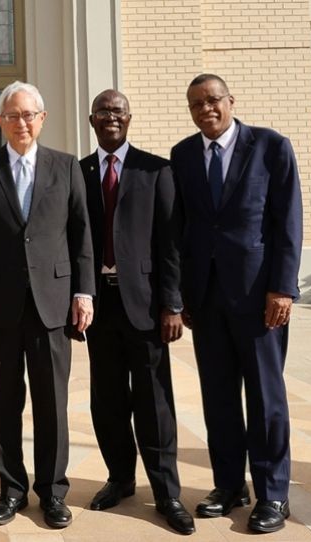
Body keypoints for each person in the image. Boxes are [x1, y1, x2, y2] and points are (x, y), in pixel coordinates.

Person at [169, 74, 303, 534]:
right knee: (219, 398)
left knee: (266, 399)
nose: (205, 110)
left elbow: (288, 223)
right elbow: (183, 230)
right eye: (196, 104)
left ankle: (273, 494)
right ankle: (229, 485)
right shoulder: (183, 155)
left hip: (258, 298)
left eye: (212, 101)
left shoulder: (270, 146)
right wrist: (184, 294)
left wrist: (283, 288)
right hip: (206, 299)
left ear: (230, 101)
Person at [0, 81, 95, 529]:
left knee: (52, 403)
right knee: (4, 400)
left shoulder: (66, 166)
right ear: (0, 121)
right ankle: (11, 489)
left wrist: (84, 292)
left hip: (53, 304)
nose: (22, 123)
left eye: (29, 115)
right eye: (13, 115)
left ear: (43, 119)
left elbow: (81, 236)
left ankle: (54, 493)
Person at [80, 89, 195, 535]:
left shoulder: (156, 169)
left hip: (146, 305)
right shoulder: (80, 171)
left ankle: (166, 492)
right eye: (104, 111)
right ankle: (120, 478)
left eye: (119, 111)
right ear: (92, 120)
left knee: (154, 400)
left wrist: (172, 304)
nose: (112, 117)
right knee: (106, 399)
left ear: (130, 119)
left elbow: (171, 243)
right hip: (98, 305)